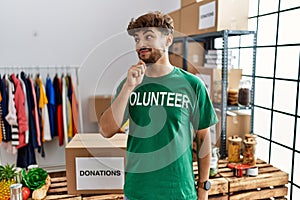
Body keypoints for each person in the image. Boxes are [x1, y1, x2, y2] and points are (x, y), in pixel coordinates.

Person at [99, 11, 218, 200]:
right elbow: (106, 130)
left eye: (148, 37)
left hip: (180, 192)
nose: (140, 45)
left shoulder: (193, 85)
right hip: (138, 192)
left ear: (168, 40)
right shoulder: (129, 84)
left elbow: (204, 139)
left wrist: (203, 188)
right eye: (137, 39)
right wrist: (129, 87)